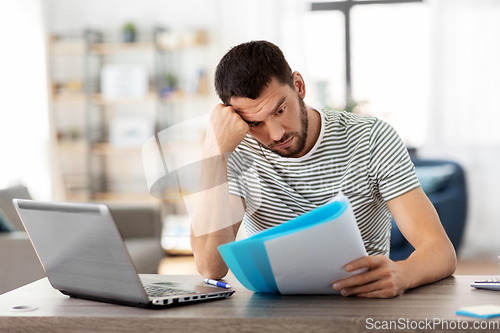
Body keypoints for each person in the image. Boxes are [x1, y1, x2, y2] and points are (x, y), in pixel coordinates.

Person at [190, 40, 456, 298]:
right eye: (255, 123)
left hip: (361, 304)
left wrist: (403, 273)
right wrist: (214, 153)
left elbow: (440, 250)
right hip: (275, 310)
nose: (276, 133)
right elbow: (210, 267)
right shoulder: (239, 151)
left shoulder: (372, 138)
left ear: (299, 86)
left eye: (280, 110)